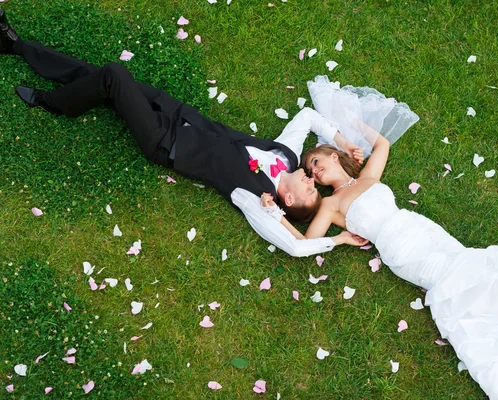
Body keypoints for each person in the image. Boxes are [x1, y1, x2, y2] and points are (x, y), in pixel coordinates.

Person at [267, 77, 498, 399]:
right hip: (404, 251)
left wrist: (349, 131)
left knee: (481, 275)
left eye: (314, 161)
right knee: (468, 285)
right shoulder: (330, 205)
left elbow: (381, 144)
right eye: (310, 172)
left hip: (423, 229)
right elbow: (307, 242)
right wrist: (275, 214)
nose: (313, 172)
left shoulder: (368, 176)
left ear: (330, 154)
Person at [0, 9, 371, 257]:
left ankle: (52, 102)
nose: (312, 182)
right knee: (99, 78)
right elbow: (307, 116)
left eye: (310, 192)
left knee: (113, 76)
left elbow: (294, 246)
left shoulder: (256, 199)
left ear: (289, 201)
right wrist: (344, 143)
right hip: (179, 113)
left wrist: (334, 239)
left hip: (163, 140)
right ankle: (16, 46)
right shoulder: (287, 155)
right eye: (315, 185)